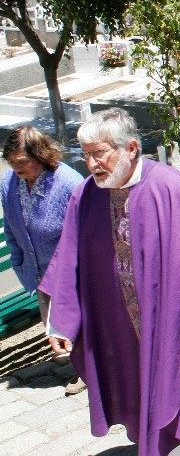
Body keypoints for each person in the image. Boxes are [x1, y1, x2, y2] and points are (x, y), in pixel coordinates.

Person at [40, 109, 180, 456]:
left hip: (173, 325)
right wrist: (62, 323)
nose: (92, 164)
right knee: (145, 395)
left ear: (131, 148)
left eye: (99, 153)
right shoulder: (86, 196)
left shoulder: (172, 189)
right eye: (86, 154)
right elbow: (68, 263)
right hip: (122, 330)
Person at [1, 127, 84, 392]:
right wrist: (19, 260)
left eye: (22, 161)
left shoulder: (68, 183)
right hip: (36, 268)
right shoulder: (9, 183)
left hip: (70, 270)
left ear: (41, 155)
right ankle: (74, 359)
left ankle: (85, 371)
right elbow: (11, 227)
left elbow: (84, 234)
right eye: (11, 161)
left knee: (80, 320)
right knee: (54, 321)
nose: (16, 167)